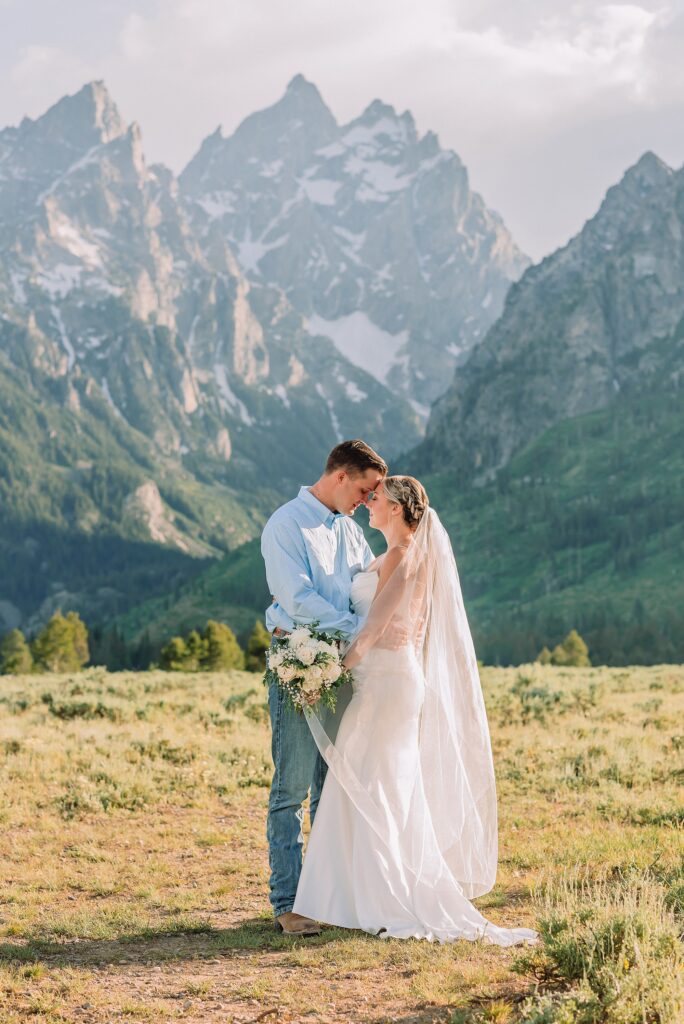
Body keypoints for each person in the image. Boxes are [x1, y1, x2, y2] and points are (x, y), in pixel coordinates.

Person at [293, 476, 538, 945]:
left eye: (377, 499)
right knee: (371, 781)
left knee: (378, 784)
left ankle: (387, 899)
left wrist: (326, 675)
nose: (368, 504)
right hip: (382, 679)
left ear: (400, 509)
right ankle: (350, 898)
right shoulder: (388, 556)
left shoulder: (404, 557)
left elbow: (372, 632)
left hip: (387, 682)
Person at [261, 439, 387, 936]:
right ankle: (288, 901)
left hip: (343, 670)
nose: (365, 501)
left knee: (331, 788)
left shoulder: (353, 534)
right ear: (339, 476)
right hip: (298, 664)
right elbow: (297, 598)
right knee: (291, 786)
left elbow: (366, 589)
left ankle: (326, 895)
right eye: (363, 489)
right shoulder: (286, 524)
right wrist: (357, 631)